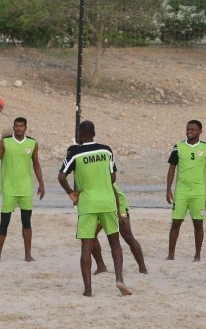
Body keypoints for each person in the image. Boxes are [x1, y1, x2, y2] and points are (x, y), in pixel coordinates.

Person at [58, 120, 131, 297]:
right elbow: (113, 177)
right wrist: (101, 182)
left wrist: (71, 192)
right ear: (94, 133)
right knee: (115, 242)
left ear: (81, 134)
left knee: (86, 246)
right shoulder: (106, 150)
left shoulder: (75, 153)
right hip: (107, 201)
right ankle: (119, 279)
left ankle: (88, 290)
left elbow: (61, 177)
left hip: (88, 203)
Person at [0, 117, 45, 262]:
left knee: (26, 222)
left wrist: (41, 183)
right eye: (16, 126)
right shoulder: (5, 142)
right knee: (4, 222)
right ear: (13, 127)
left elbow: (36, 163)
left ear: (25, 127)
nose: (19, 128)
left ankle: (28, 254)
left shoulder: (32, 143)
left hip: (26, 189)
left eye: (21, 126)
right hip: (8, 189)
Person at [166, 120, 206, 261]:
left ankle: (197, 255)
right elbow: (171, 168)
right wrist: (168, 189)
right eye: (188, 129)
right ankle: (171, 255)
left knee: (198, 223)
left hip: (198, 192)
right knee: (176, 222)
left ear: (200, 131)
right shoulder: (178, 147)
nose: (189, 131)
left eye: (193, 129)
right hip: (181, 192)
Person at [91, 183, 148, 275]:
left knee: (127, 236)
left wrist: (118, 213)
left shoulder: (99, 170)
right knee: (90, 235)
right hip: (100, 201)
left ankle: (143, 269)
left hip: (116, 199)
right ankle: (101, 267)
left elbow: (112, 188)